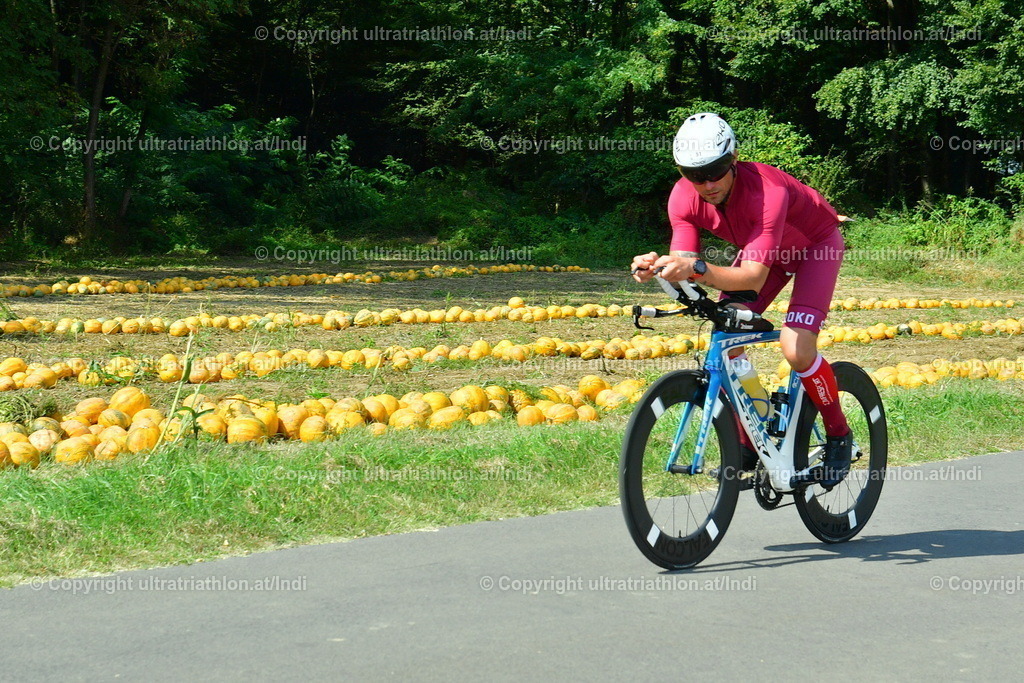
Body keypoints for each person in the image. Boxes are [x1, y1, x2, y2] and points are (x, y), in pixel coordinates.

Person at [631, 112, 850, 488]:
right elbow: (685, 265)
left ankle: (838, 434)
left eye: (715, 171)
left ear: (733, 159)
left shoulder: (768, 192)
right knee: (727, 335)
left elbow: (750, 277)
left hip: (816, 249)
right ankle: (752, 436)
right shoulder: (683, 197)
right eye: (694, 174)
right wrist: (659, 269)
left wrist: (695, 268)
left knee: (796, 348)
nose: (707, 184)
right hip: (765, 256)